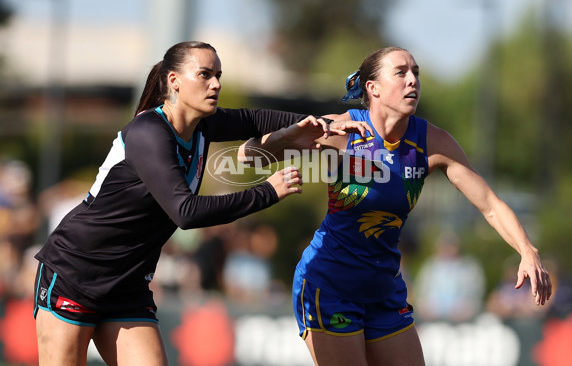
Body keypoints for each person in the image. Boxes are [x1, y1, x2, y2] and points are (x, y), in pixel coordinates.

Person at [32, 41, 362, 366]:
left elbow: (257, 118)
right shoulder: (148, 131)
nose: (215, 83)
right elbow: (185, 212)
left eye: (218, 74)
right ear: (174, 81)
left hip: (127, 285)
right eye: (204, 74)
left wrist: (325, 124)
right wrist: (268, 191)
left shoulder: (204, 125)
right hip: (76, 273)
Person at [239, 46, 552, 366]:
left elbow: (490, 204)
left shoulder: (432, 142)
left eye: (415, 72)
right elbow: (246, 155)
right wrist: (294, 134)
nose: (412, 80)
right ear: (372, 88)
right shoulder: (342, 130)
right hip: (329, 284)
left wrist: (528, 250)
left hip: (383, 288)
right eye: (400, 73)